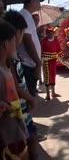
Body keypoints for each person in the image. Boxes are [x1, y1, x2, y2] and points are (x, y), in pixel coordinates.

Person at [3, 10, 39, 159]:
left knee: (31, 133)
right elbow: (15, 86)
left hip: (22, 103)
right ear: (16, 33)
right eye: (22, 33)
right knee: (26, 137)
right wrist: (30, 98)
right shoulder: (8, 57)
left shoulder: (13, 53)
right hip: (18, 105)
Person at [0, 19, 29, 160]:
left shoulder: (5, 69)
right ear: (6, 44)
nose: (16, 43)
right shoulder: (1, 74)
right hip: (7, 140)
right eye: (13, 41)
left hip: (15, 133)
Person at [17, 0, 44, 97]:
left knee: (31, 94)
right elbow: (27, 40)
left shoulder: (28, 15)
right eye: (38, 1)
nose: (40, 4)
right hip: (27, 64)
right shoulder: (25, 15)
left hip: (29, 63)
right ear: (32, 1)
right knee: (29, 96)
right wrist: (38, 62)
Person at [40, 26, 62, 100]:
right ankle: (47, 94)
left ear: (53, 33)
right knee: (47, 77)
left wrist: (62, 58)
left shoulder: (55, 40)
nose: (50, 34)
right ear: (47, 33)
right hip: (46, 61)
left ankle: (53, 92)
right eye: (48, 32)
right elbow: (41, 51)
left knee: (53, 76)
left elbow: (59, 49)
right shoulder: (43, 40)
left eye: (51, 32)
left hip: (53, 61)